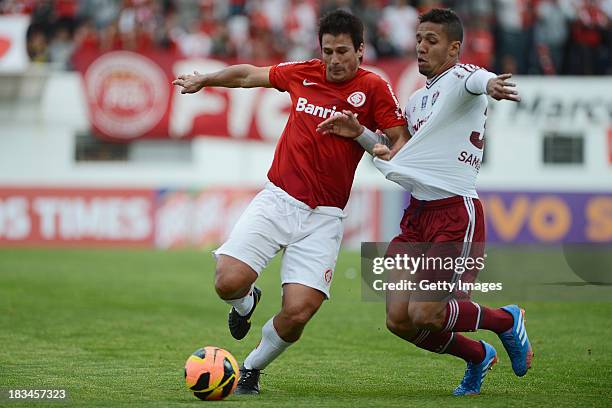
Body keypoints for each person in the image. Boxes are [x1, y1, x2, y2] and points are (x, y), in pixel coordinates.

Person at [173, 9, 409, 395]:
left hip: (326, 217)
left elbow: (398, 143)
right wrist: (206, 79)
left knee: (299, 313)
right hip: (279, 199)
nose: (334, 60)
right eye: (328, 51)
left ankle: (250, 368)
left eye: (342, 52)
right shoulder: (304, 72)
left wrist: (362, 134)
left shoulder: (376, 87)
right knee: (227, 282)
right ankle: (246, 304)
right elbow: (250, 75)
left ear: (361, 50)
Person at [317, 8, 533, 396]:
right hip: (417, 216)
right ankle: (477, 355)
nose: (420, 47)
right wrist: (360, 133)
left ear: (453, 49)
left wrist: (492, 85)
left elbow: (479, 79)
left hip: (454, 213)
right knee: (400, 319)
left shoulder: (461, 79)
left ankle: (505, 320)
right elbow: (396, 155)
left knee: (427, 313)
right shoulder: (416, 101)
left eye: (431, 41)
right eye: (418, 40)